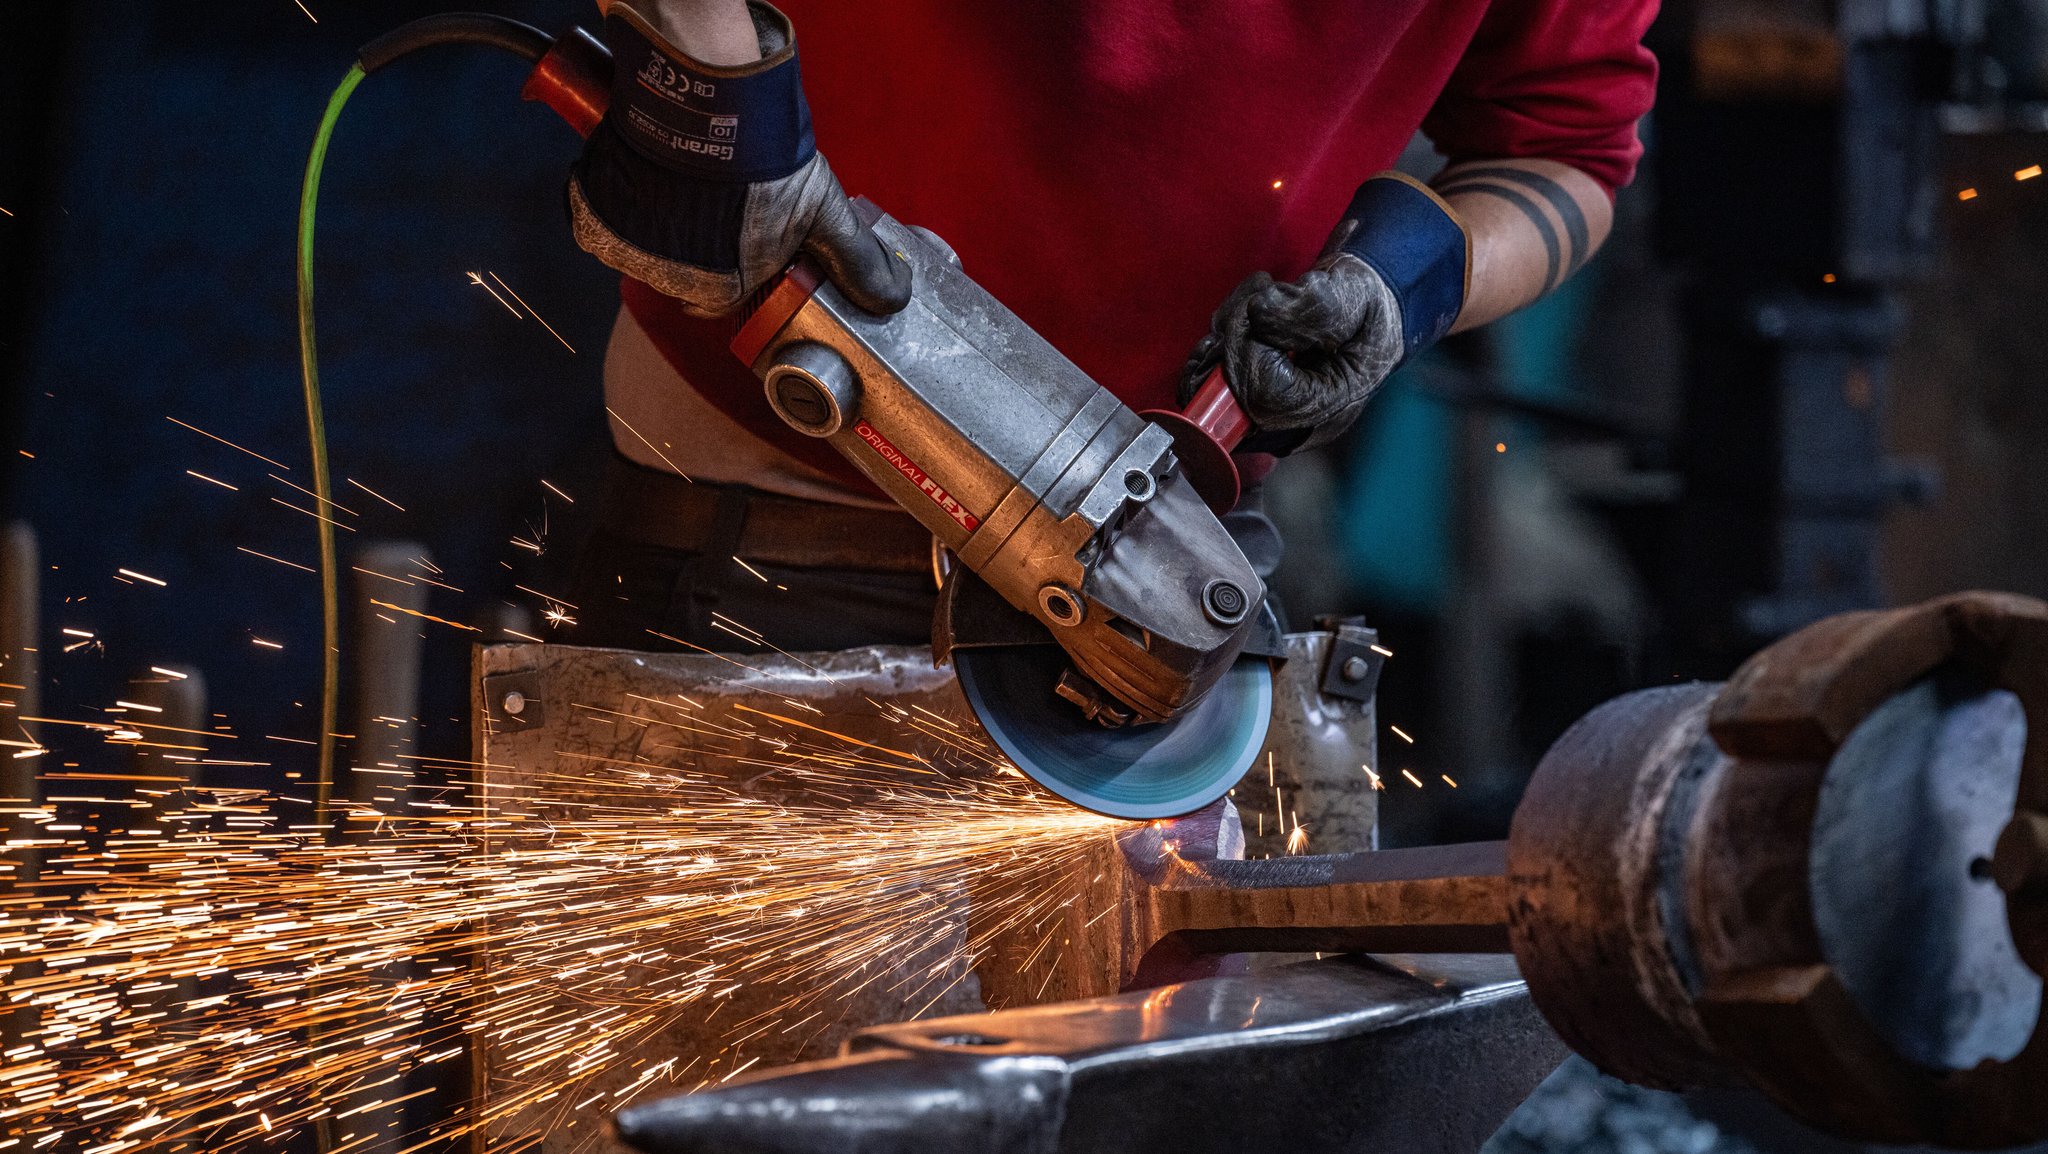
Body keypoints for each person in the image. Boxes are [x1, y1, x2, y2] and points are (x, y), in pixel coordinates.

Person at [564, 0, 1659, 655]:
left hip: (1169, 552)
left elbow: (1563, 147)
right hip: (765, 510)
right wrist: (702, 84)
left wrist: (1404, 288)